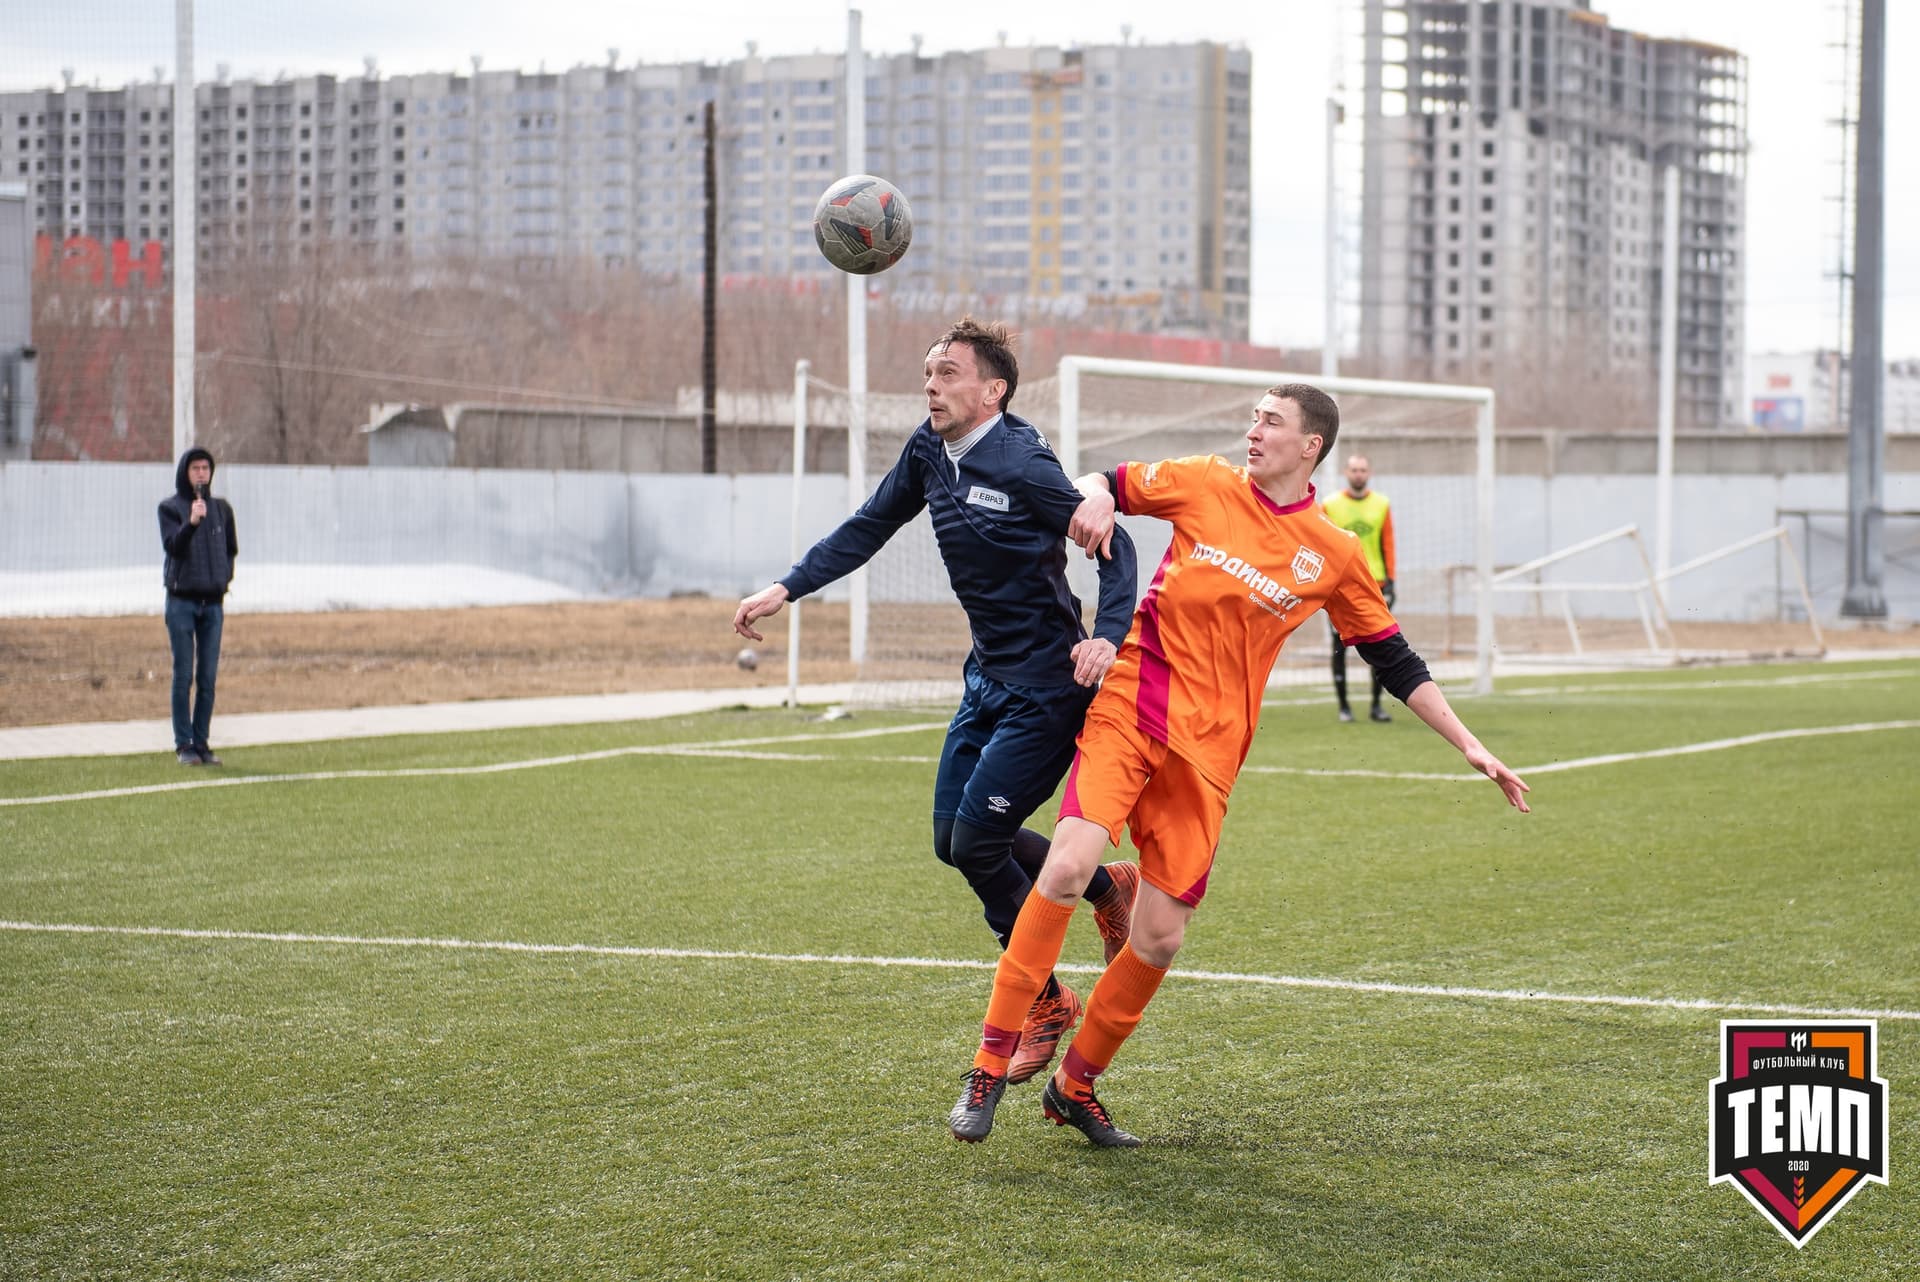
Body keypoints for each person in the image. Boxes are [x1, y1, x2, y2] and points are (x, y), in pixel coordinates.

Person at [948, 382, 1531, 1147]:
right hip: (1132, 704)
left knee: (1159, 939)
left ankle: (1075, 1087)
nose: (1253, 431)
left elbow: (1394, 656)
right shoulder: (1204, 480)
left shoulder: (1332, 553)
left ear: (1309, 445)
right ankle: (988, 1069)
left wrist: (1469, 743)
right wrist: (1088, 496)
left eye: (1271, 421)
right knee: (1063, 870)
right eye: (1253, 417)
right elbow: (1107, 481)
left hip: (1210, 753)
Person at [734, 317, 1142, 1085]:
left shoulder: (1023, 462)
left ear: (994, 390)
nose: (932, 384)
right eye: (928, 372)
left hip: (1049, 688)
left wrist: (1108, 636)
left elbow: (1115, 549)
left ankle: (1046, 1003)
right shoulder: (928, 450)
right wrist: (785, 587)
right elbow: (870, 526)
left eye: (950, 372)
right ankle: (1102, 884)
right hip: (984, 677)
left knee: (979, 845)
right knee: (951, 841)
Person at [157, 446, 238, 766]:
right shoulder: (170, 508)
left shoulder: (221, 510)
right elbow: (172, 547)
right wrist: (191, 523)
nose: (201, 473)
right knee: (183, 675)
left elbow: (231, 549)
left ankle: (202, 742)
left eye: (205, 468)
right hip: (181, 603)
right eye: (196, 468)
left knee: (207, 677)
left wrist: (223, 578)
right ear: (185, 473)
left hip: (213, 605)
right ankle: (184, 743)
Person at [1323, 453, 1396, 723]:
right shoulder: (1330, 504)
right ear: (1346, 472)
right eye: (1354, 469)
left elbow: (1388, 543)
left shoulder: (1381, 504)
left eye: (1362, 470)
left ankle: (1376, 705)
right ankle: (1344, 706)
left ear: (1369, 473)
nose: (1358, 474)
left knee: (1380, 644)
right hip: (1340, 587)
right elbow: (1324, 545)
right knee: (1338, 645)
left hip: (1375, 584)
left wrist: (1392, 578)